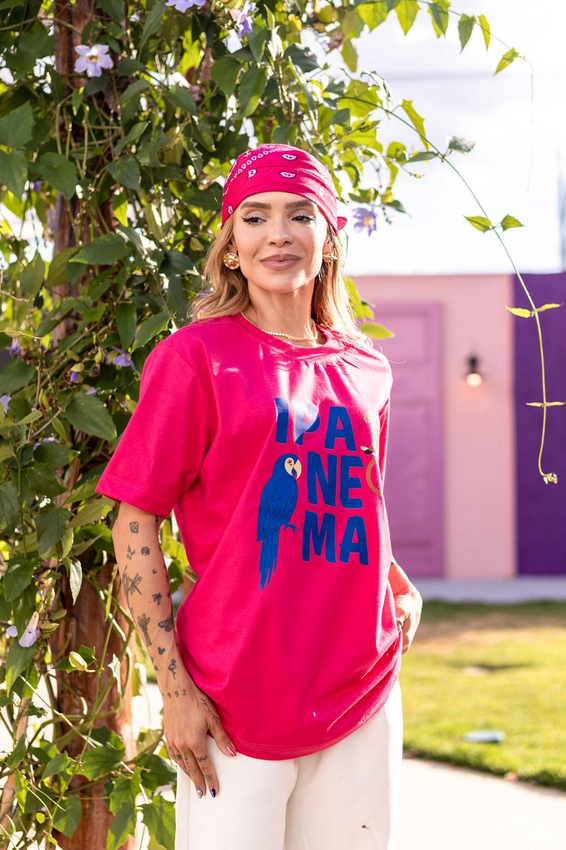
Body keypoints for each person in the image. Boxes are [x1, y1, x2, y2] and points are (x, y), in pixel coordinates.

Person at [95, 143, 423, 850]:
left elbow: (357, 496)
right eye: (255, 217)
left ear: (329, 238)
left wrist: (396, 583)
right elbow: (135, 521)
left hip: (360, 693)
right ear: (232, 247)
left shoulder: (368, 369)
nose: (279, 233)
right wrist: (174, 689)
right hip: (231, 702)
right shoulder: (195, 359)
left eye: (300, 215)